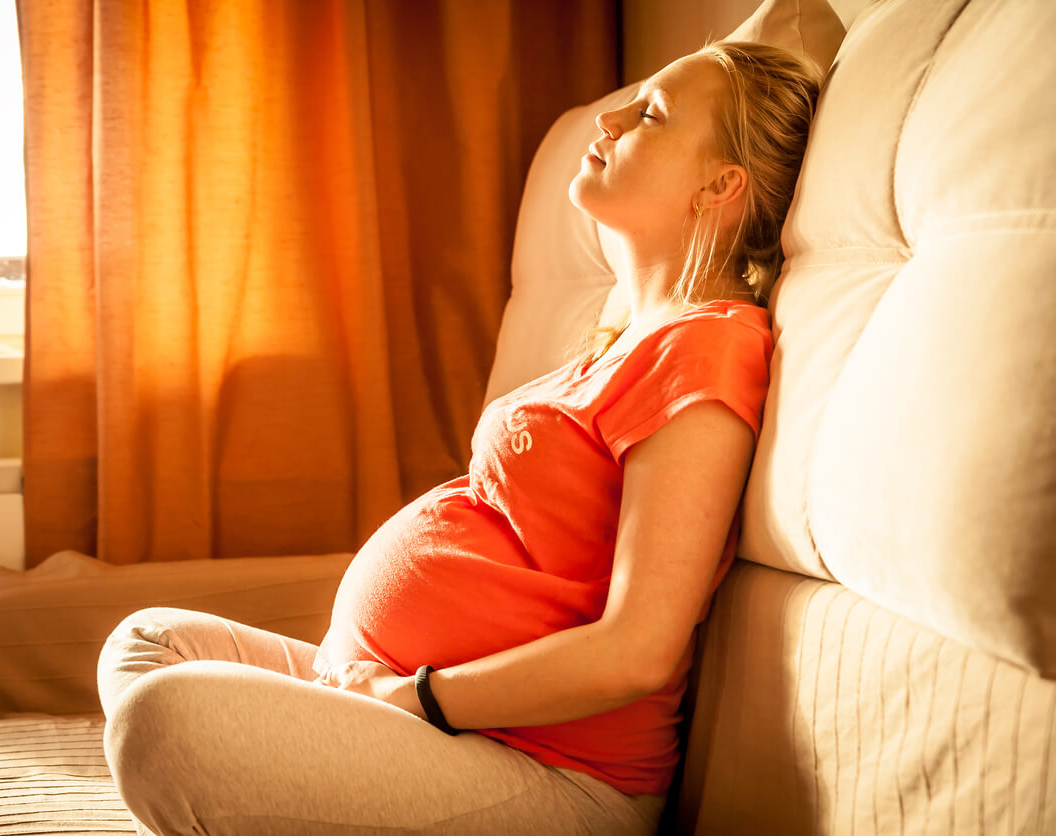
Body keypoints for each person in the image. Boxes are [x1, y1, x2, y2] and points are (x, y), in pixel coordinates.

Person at [98, 41, 821, 836]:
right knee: (149, 642)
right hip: (410, 702)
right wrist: (380, 685)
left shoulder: (704, 346)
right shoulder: (621, 339)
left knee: (160, 724)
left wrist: (418, 695)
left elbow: (639, 647)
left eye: (648, 114)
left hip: (548, 769)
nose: (610, 118)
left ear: (720, 187)